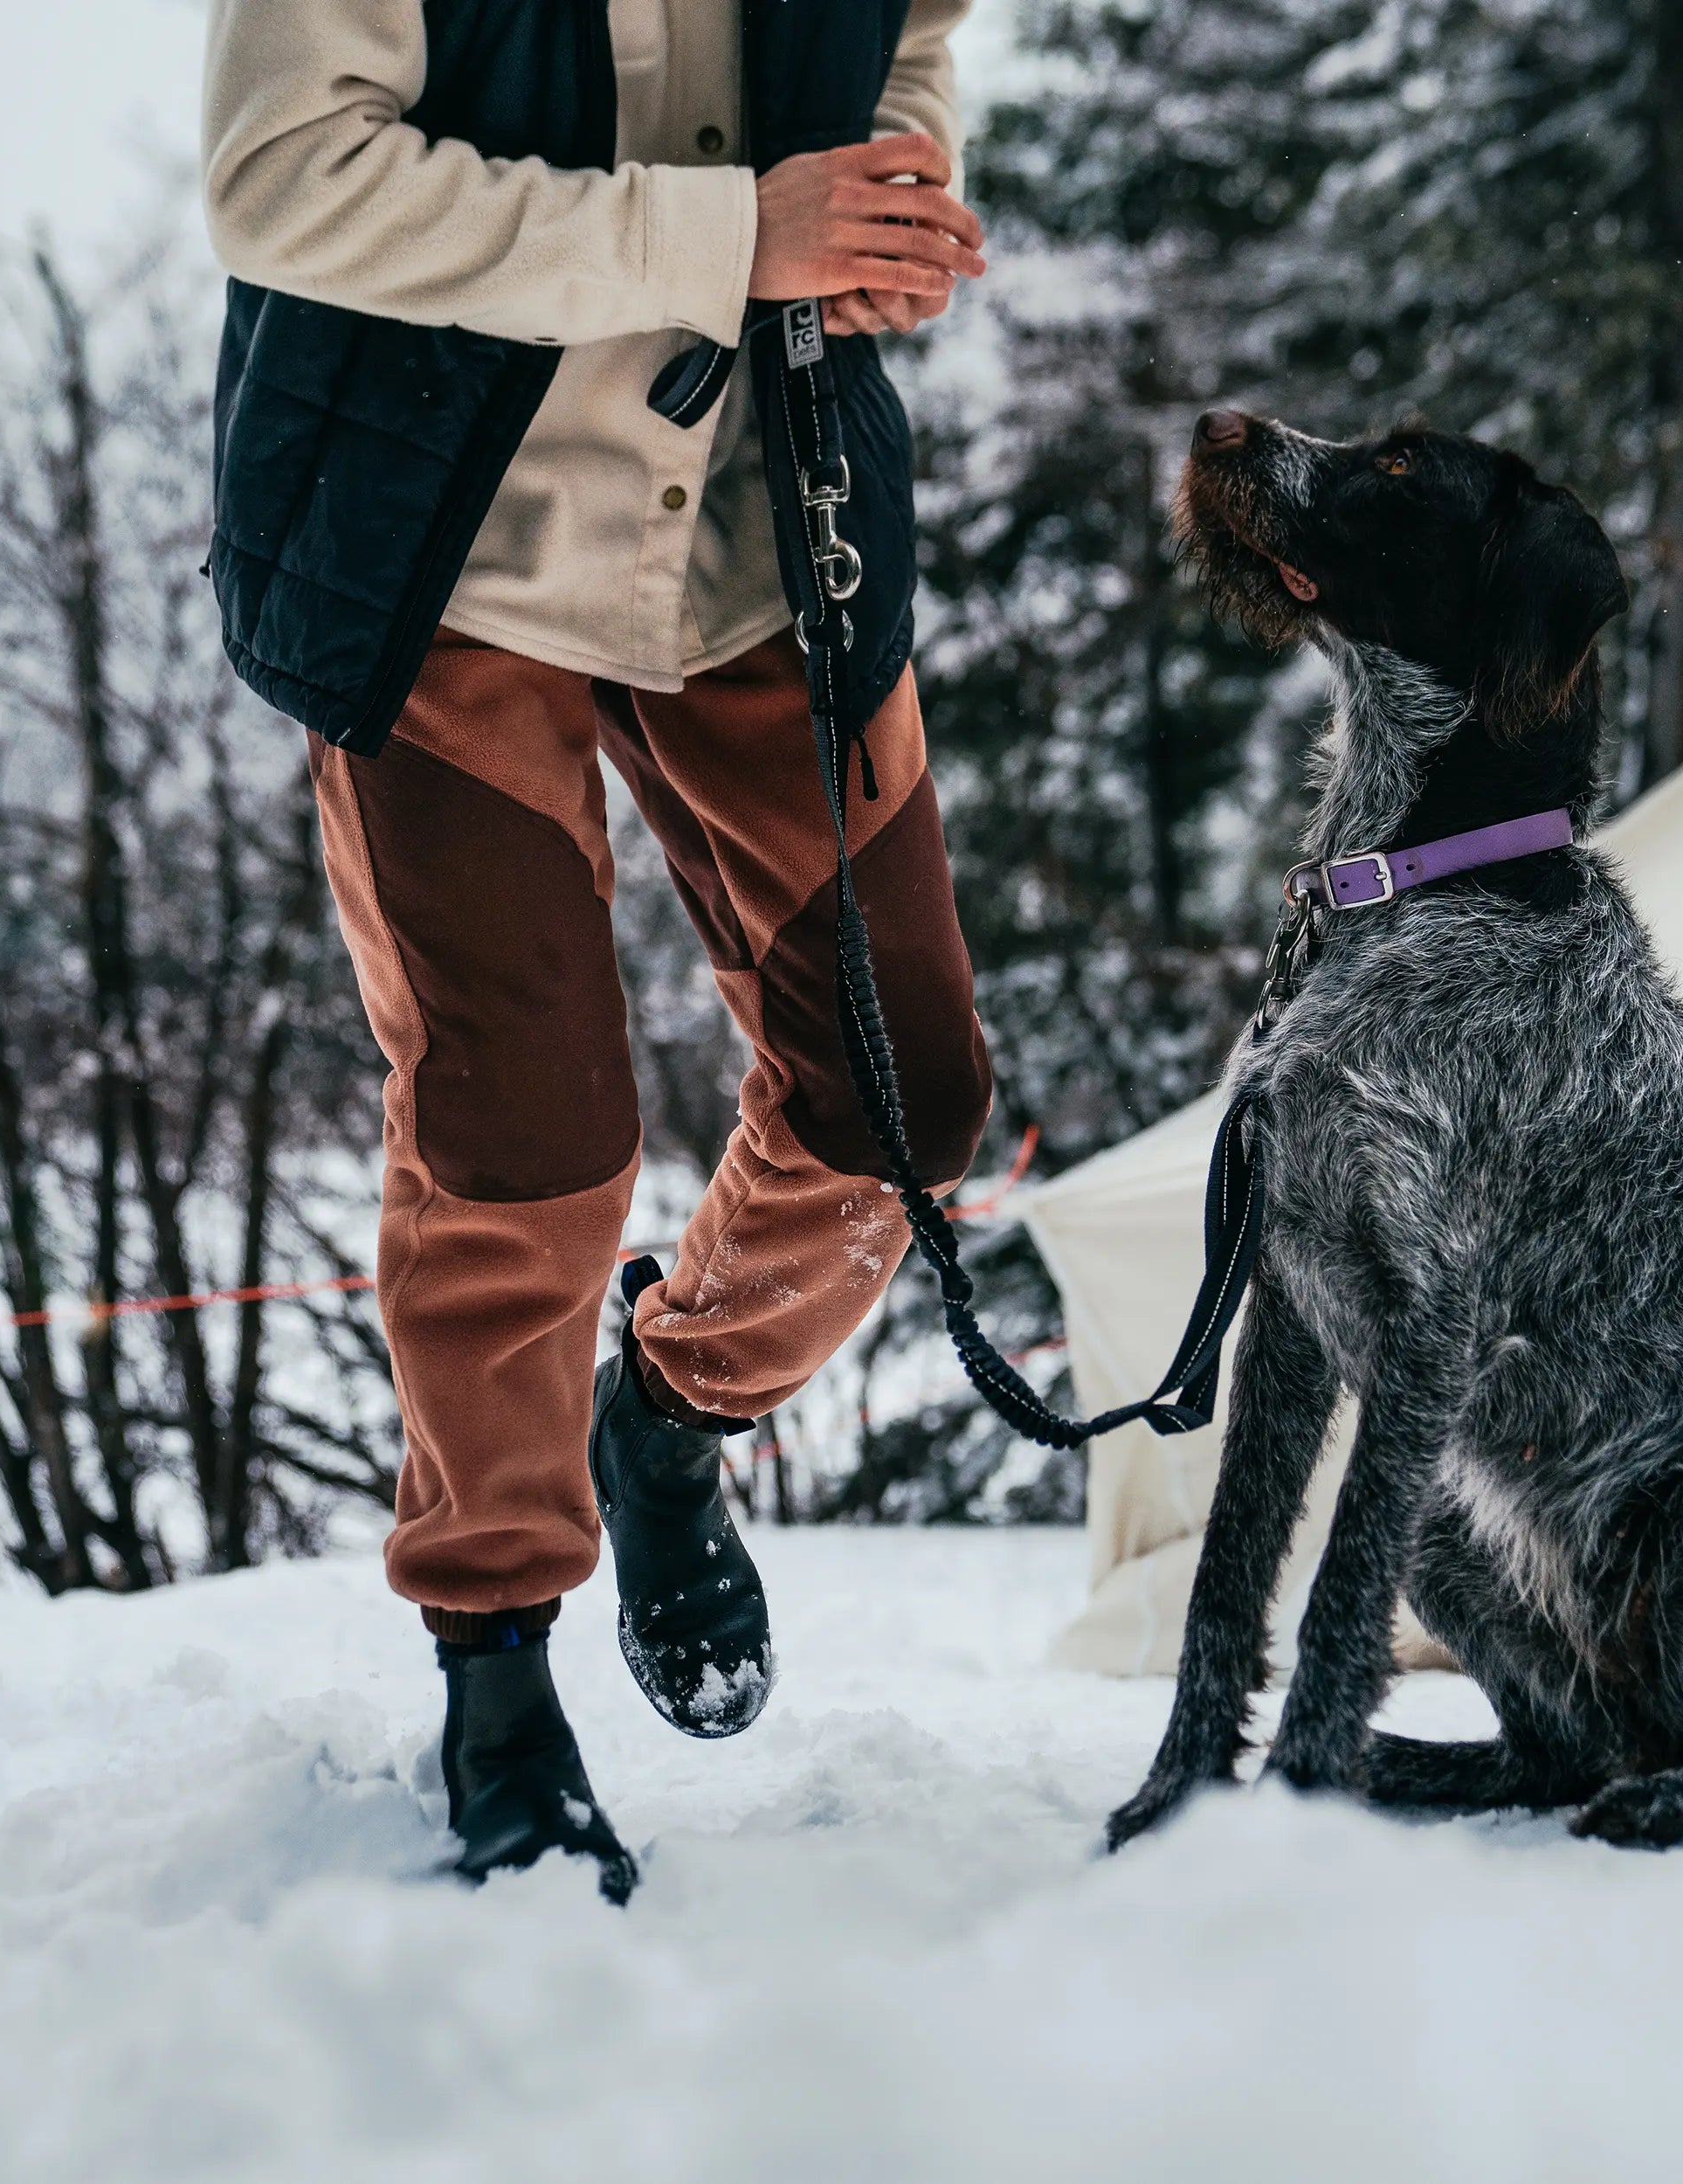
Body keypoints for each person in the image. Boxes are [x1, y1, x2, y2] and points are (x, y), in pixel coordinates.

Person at [201, 0, 992, 1900]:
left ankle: (669, 1412)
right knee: (525, 1128)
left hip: (754, 535)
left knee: (910, 1105)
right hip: (435, 553)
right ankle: (495, 1651)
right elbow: (280, 177)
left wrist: (887, 204)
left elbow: (903, 41)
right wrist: (736, 238)